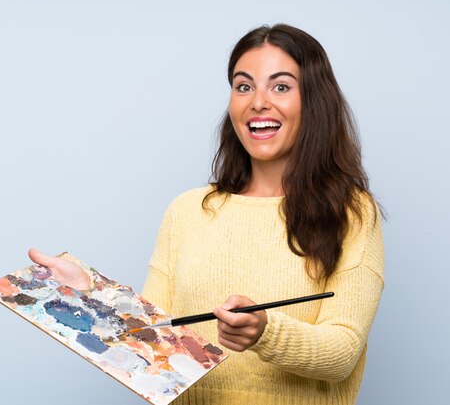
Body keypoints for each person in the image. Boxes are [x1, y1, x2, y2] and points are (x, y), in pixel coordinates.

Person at [29, 23, 384, 405]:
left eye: (280, 86)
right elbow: (152, 339)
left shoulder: (351, 213)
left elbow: (343, 353)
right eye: (243, 86)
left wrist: (266, 332)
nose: (257, 102)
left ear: (314, 101)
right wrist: (88, 292)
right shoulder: (187, 211)